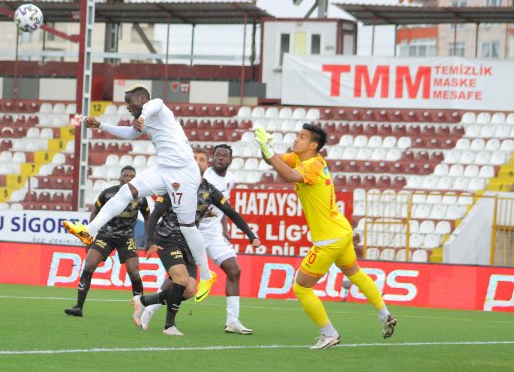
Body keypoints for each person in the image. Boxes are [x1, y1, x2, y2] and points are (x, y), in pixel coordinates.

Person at [62, 85, 217, 302]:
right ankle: (90, 230)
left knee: (188, 227)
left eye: (130, 102)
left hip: (183, 174)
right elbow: (129, 133)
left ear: (143, 98)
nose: (127, 107)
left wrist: (143, 115)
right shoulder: (144, 119)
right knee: (126, 192)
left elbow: (155, 104)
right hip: (163, 170)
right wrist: (102, 126)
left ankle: (208, 276)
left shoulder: (158, 108)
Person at [255, 123, 397, 349]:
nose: (296, 139)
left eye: (301, 137)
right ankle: (385, 316)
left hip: (329, 239)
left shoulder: (311, 166)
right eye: (297, 135)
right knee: (355, 273)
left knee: (301, 287)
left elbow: (287, 175)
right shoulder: (302, 159)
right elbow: (276, 161)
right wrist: (265, 147)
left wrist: (269, 151)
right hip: (341, 231)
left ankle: (329, 334)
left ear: (313, 145)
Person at [134, 149, 260, 336]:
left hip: (191, 242)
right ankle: (169, 326)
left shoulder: (210, 190)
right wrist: (150, 240)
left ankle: (145, 302)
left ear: (206, 165)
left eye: (202, 160)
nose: (198, 162)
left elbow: (231, 212)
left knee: (189, 290)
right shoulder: (175, 184)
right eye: (195, 159)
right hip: (167, 238)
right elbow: (156, 213)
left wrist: (251, 235)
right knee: (181, 279)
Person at [65, 165, 150, 318]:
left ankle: (141, 310)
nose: (129, 179)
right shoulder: (108, 193)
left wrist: (150, 239)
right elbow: (95, 211)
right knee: (89, 265)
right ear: (120, 177)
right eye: (126, 176)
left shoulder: (141, 198)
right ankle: (78, 307)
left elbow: (148, 217)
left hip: (126, 238)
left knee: (134, 273)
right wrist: (88, 238)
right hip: (106, 236)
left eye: (132, 176)